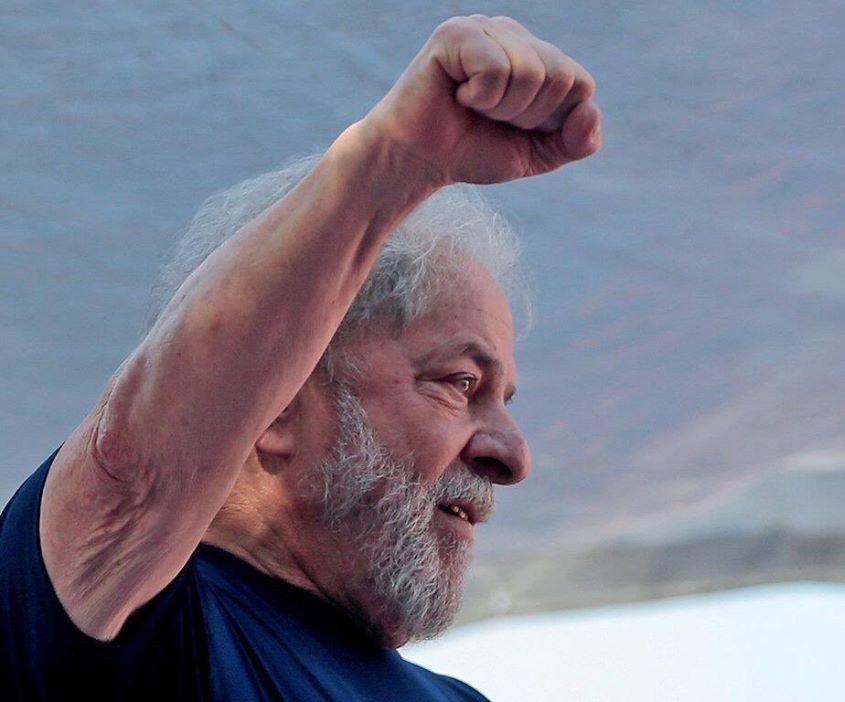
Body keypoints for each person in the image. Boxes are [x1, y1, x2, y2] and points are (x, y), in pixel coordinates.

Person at [0, 14, 601, 701]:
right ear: (277, 405)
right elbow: (129, 474)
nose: (513, 456)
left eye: (501, 398)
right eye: (460, 383)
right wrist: (396, 160)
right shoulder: (147, 623)